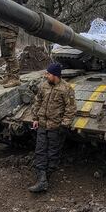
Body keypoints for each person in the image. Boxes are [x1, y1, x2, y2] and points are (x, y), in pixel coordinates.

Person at [28, 63, 77, 193]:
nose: (46, 75)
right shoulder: (43, 86)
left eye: (48, 74)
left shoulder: (66, 89)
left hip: (56, 126)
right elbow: (37, 102)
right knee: (40, 151)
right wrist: (35, 119)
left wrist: (64, 125)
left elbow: (71, 108)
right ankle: (42, 179)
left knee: (53, 153)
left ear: (55, 75)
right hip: (43, 124)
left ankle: (45, 178)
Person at [0, 0, 29, 88]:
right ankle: (9, 75)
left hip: (9, 27)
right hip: (4, 26)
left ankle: (15, 78)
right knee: (6, 54)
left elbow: (9, 10)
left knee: (10, 54)